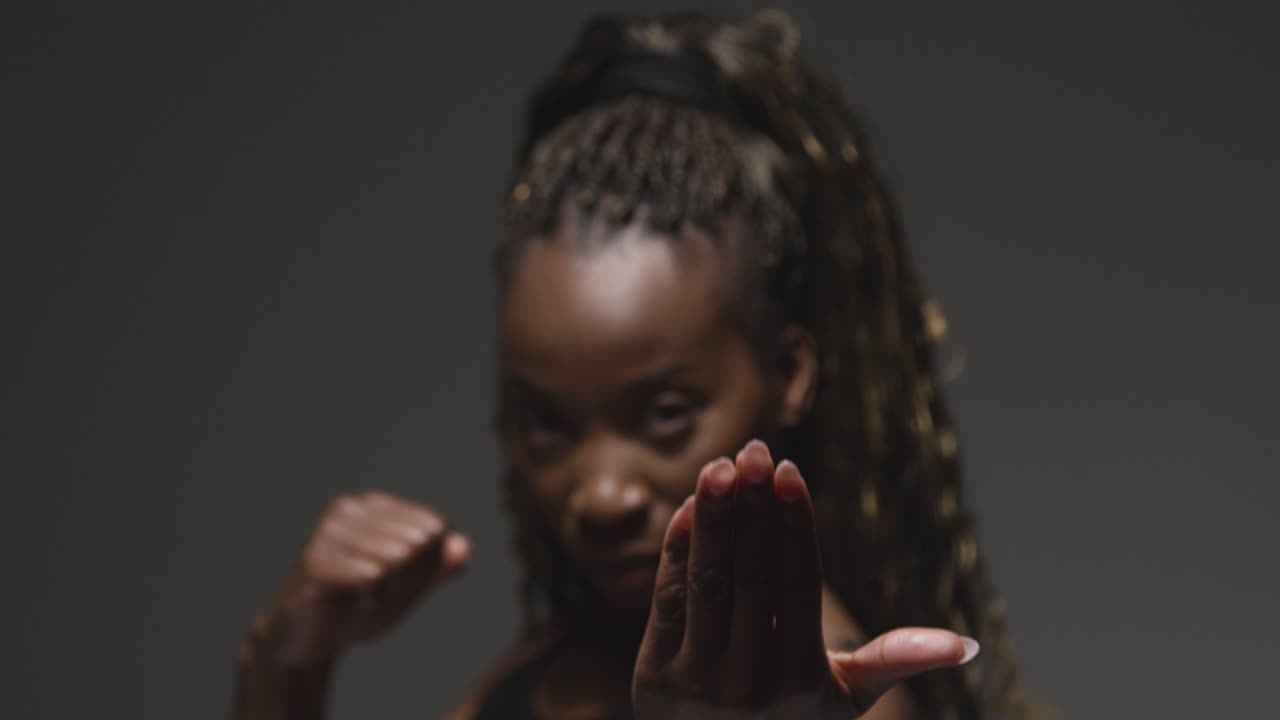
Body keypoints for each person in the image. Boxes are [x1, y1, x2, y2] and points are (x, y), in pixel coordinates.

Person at [233, 10, 1047, 720]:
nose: (601, 494)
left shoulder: (828, 694)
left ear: (790, 373)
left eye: (663, 414)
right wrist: (285, 664)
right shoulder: (549, 672)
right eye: (547, 422)